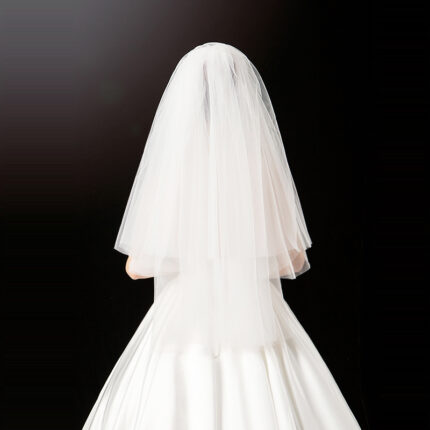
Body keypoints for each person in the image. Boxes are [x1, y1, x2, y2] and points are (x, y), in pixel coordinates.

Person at [82, 42, 361, 429]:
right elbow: (294, 261)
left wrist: (193, 254)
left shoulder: (176, 165)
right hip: (255, 314)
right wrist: (242, 254)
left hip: (183, 321)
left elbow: (137, 267)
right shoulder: (258, 162)